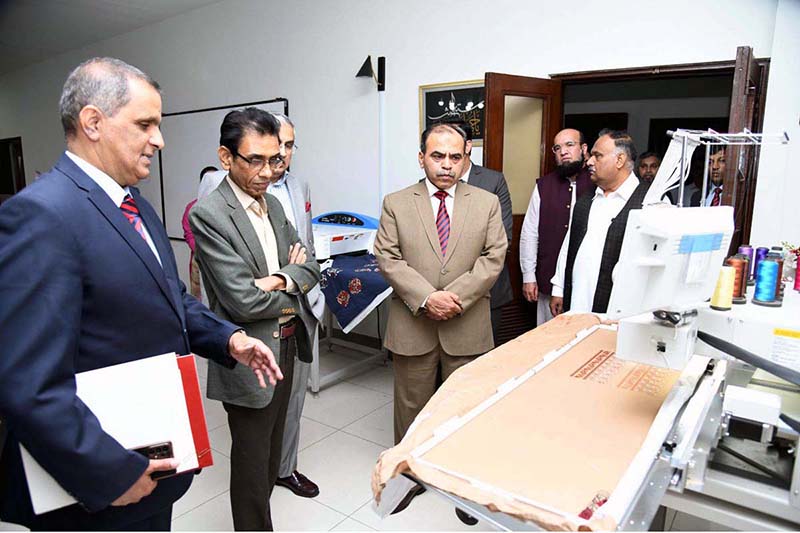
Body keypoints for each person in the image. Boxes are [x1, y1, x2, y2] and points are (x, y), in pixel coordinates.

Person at [0, 57, 281, 531]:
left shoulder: (136, 206)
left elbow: (170, 298)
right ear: (93, 122)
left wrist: (229, 339)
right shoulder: (42, 215)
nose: (159, 139)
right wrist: (110, 471)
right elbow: (28, 383)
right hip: (99, 482)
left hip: (150, 456)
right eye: (145, 124)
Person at [189, 108, 320, 531]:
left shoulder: (274, 206)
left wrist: (279, 279)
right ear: (226, 157)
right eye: (256, 160)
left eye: (276, 159)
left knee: (270, 454)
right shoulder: (210, 214)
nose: (268, 172)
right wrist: (290, 287)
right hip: (249, 353)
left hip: (285, 345)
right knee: (249, 464)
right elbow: (242, 302)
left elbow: (310, 267)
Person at [373, 123, 507, 516]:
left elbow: (494, 257)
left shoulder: (485, 202)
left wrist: (456, 299)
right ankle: (408, 479)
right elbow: (388, 257)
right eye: (437, 156)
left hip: (467, 326)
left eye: (455, 156)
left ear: (466, 159)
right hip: (413, 324)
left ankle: (460, 485)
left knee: (464, 410)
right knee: (410, 408)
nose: (446, 165)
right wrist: (427, 297)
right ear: (421, 158)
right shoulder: (397, 202)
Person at [267, 113, 324, 499]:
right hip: (262, 307)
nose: (284, 154)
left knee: (295, 395)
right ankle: (261, 470)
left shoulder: (298, 184)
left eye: (290, 146)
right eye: (278, 144)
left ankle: (285, 468)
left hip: (301, 304)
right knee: (262, 399)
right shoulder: (227, 190)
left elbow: (306, 243)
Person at [550, 129, 650, 315]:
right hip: (577, 305)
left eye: (597, 156)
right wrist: (559, 289)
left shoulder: (650, 201)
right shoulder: (587, 199)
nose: (589, 161)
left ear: (619, 160)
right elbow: (569, 246)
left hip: (620, 313)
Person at [519, 128, 594, 326]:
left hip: (586, 282)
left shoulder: (598, 183)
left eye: (570, 145)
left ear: (584, 149)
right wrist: (529, 276)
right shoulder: (545, 185)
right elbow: (529, 233)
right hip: (549, 280)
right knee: (548, 336)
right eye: (557, 148)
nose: (563, 152)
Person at [448, 121, 513, 345]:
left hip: (487, 290)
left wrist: (462, 286)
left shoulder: (492, 181)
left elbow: (502, 239)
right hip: (441, 293)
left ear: (467, 146)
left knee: (481, 361)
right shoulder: (427, 186)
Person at [182, 165, 218, 299]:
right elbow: (189, 234)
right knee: (198, 296)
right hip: (199, 257)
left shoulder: (223, 205)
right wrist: (202, 250)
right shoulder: (192, 206)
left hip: (219, 258)